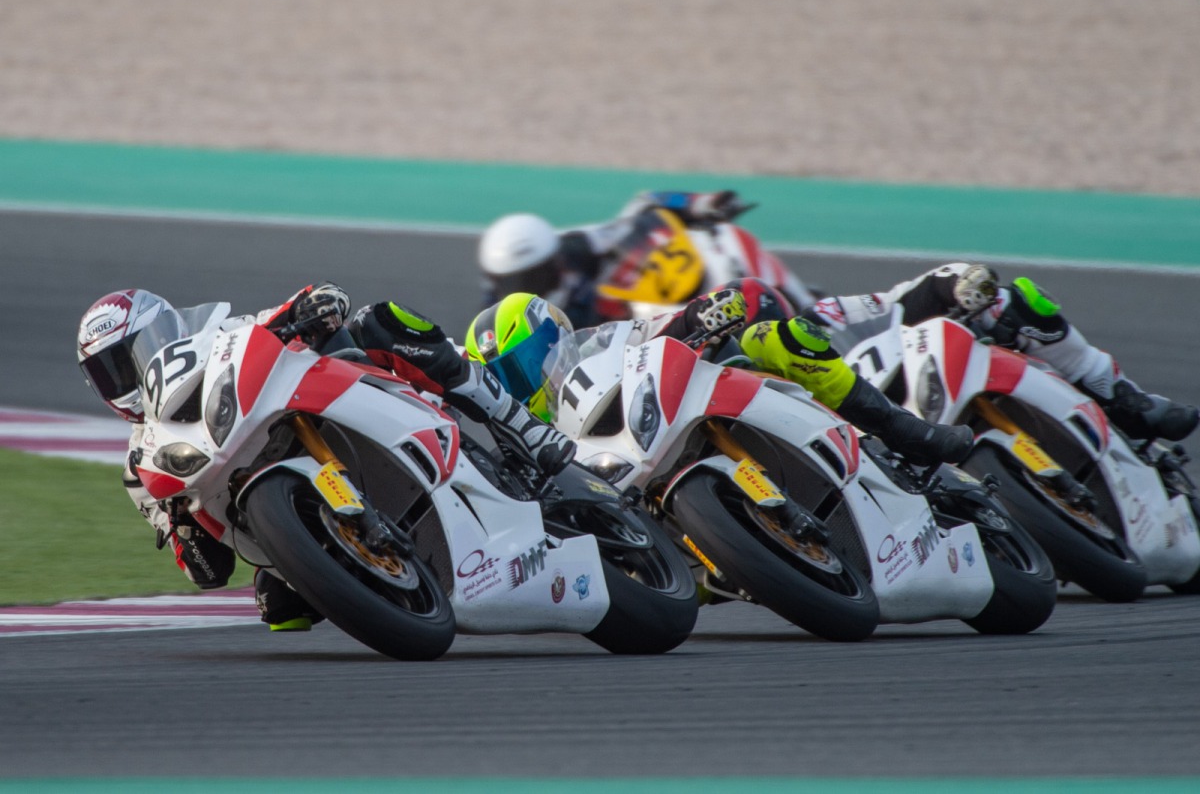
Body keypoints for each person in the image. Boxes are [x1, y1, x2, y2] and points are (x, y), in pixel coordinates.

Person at [76, 284, 577, 632]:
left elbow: (282, 315)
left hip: (318, 405)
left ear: (163, 332)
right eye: (110, 373)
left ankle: (521, 425)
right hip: (282, 505)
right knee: (278, 606)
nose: (127, 379)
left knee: (378, 322)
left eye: (131, 357)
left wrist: (312, 304)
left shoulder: (215, 339)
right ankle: (382, 572)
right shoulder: (141, 468)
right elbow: (208, 572)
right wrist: (184, 525)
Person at [464, 283, 974, 468]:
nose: (531, 378)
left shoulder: (604, 340)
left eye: (532, 359)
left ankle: (903, 430)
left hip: (701, 405)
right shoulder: (529, 444)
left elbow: (665, 326)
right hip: (634, 488)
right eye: (512, 375)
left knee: (774, 336)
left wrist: (702, 316)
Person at [802, 262, 1199, 442]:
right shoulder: (782, 373)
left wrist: (963, 283)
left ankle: (1127, 399)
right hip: (884, 412)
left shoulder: (825, 313)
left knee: (1016, 304)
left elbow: (899, 295)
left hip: (952, 355)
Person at [477, 190, 819, 329]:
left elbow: (641, 208)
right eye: (510, 281)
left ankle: (807, 308)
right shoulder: (501, 319)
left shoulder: (574, 247)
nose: (519, 288)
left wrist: (699, 203)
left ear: (551, 260)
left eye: (529, 276)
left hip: (638, 314)